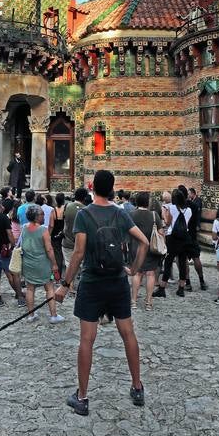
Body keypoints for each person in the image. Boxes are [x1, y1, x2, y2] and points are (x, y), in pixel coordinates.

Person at [56, 169, 149, 416]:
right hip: (117, 281)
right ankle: (137, 387)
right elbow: (145, 242)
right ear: (111, 188)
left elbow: (77, 253)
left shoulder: (84, 215)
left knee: (87, 340)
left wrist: (65, 285)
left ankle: (82, 397)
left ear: (92, 188)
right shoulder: (120, 213)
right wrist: (133, 270)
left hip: (92, 282)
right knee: (128, 335)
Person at [22, 205, 64, 324]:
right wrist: (54, 264)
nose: (43, 216)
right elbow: (49, 249)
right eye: (41, 214)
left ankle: (31, 315)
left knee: (30, 289)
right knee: (49, 288)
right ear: (36, 217)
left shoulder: (24, 227)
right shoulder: (43, 230)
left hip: (28, 263)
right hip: (42, 263)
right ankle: (53, 315)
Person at [0, 197, 24, 307]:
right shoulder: (4, 218)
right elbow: (9, 233)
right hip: (4, 249)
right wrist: (14, 245)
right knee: (12, 273)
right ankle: (20, 296)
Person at [153, 188, 192, 298]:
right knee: (182, 262)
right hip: (184, 237)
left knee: (168, 261)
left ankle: (162, 288)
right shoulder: (189, 210)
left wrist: (165, 217)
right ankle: (181, 288)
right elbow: (186, 224)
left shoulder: (172, 208)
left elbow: (168, 222)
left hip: (172, 237)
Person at [130, 192, 162, 311]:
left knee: (137, 273)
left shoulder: (131, 215)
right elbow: (161, 232)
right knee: (150, 274)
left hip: (135, 248)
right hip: (151, 248)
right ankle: (148, 302)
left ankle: (133, 301)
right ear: (147, 202)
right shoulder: (154, 216)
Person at [61, 187, 89, 293]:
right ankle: (83, 287)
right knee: (83, 266)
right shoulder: (86, 209)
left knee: (69, 264)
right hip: (82, 242)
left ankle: (70, 286)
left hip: (67, 240)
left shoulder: (67, 206)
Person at [50, 192, 66, 278]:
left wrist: (49, 234)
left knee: (57, 254)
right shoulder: (65, 209)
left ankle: (56, 275)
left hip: (55, 234)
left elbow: (51, 225)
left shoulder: (54, 210)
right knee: (64, 254)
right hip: (63, 233)